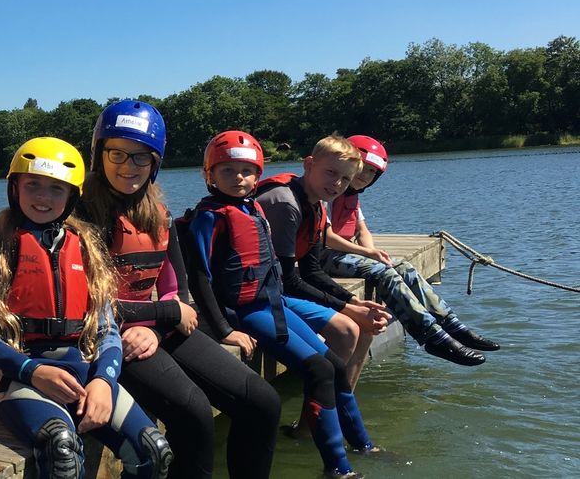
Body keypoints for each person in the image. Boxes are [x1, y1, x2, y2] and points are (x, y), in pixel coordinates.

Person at [79, 102, 280, 479]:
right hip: (105, 337)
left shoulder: (159, 212)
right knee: (194, 413)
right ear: (99, 154)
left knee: (262, 402)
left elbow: (177, 286)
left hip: (150, 327)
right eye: (117, 153)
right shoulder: (81, 216)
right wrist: (166, 315)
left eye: (141, 157)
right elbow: (89, 303)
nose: (128, 166)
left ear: (155, 162)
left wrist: (157, 324)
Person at [0, 136, 173, 479]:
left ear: (71, 196)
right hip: (20, 376)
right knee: (60, 449)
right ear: (14, 187)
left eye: (56, 189)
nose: (43, 197)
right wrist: (32, 370)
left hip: (84, 372)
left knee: (154, 450)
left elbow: (107, 329)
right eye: (33, 184)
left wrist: (105, 382)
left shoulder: (87, 247)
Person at [181, 131, 376, 479]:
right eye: (228, 171)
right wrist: (225, 330)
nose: (239, 178)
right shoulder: (210, 216)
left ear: (258, 173)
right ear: (209, 174)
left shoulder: (253, 207)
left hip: (272, 303)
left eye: (247, 171)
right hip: (244, 311)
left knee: (332, 364)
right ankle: (338, 468)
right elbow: (199, 279)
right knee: (317, 370)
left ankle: (364, 445)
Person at [321, 135, 497, 365]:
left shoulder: (351, 195)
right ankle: (432, 336)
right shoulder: (329, 192)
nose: (365, 177)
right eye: (364, 169)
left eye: (373, 173)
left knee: (403, 267)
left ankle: (451, 324)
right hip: (323, 255)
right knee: (383, 273)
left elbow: (362, 228)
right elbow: (326, 237)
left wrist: (372, 251)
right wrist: (366, 254)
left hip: (344, 253)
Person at [253, 135, 391, 392]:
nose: (337, 183)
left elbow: (311, 271)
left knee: (365, 326)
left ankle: (339, 405)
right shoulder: (285, 203)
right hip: (257, 294)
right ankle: (318, 417)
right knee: (347, 329)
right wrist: (347, 308)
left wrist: (354, 302)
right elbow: (288, 280)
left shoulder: (317, 205)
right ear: (308, 164)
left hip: (276, 287)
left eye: (346, 179)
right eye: (330, 173)